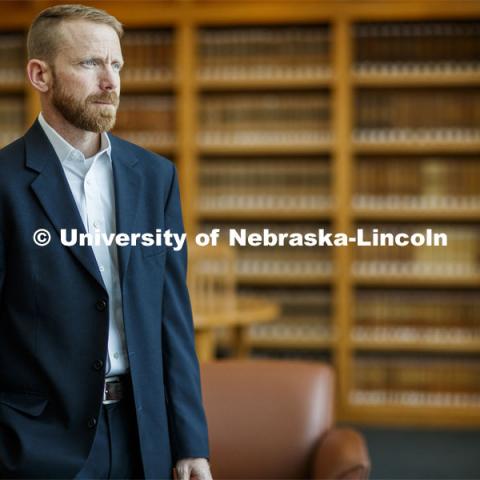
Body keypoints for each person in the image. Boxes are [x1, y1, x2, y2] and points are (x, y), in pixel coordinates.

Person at [0, 4, 212, 479]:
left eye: (116, 64)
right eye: (90, 63)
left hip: (144, 437)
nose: (110, 81)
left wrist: (190, 442)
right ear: (40, 74)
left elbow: (171, 316)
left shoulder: (156, 178)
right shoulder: (4, 184)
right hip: (37, 447)